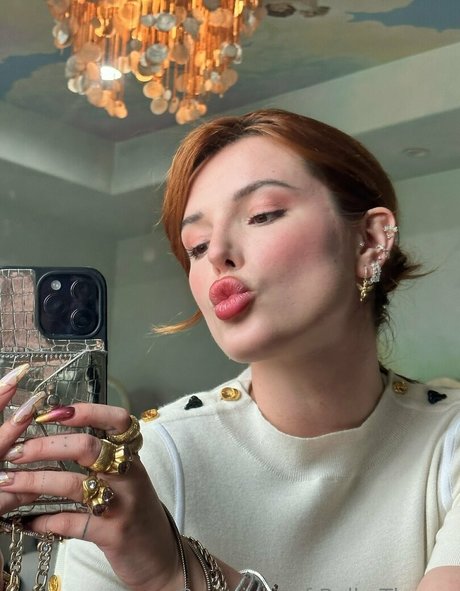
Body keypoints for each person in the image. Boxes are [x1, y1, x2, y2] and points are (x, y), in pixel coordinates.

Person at [0, 108, 459, 591]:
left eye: (262, 215)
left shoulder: (447, 441)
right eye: (196, 246)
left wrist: (172, 573)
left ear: (369, 240)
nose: (217, 252)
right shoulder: (143, 466)